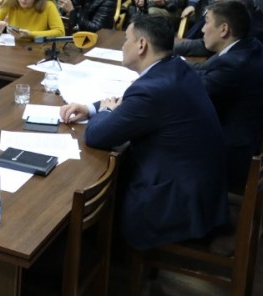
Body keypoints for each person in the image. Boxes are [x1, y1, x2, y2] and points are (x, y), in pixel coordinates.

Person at [59, 14, 229, 251]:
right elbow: (130, 104)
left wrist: (105, 112)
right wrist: (91, 108)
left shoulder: (153, 90)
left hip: (177, 201)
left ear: (142, 45)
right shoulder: (175, 67)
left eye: (126, 39)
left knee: (96, 184)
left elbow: (97, 136)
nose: (122, 45)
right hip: (202, 187)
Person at [193, 0, 263, 191]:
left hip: (233, 157)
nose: (202, 30)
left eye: (206, 22)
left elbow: (192, 97)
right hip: (249, 142)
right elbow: (207, 76)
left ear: (224, 29)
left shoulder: (234, 64)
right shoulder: (250, 46)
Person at [174, 0, 263, 82]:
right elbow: (205, 46)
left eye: (219, 4)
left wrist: (169, 62)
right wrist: (168, 47)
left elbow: (208, 68)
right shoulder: (248, 18)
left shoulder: (251, 33)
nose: (214, 9)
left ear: (238, 6)